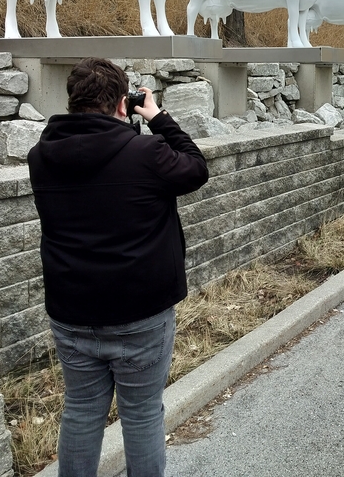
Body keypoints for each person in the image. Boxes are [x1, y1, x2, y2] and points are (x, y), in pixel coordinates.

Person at [27, 57, 209, 477]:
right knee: (142, 415)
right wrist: (160, 118)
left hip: (71, 312)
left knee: (81, 412)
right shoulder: (146, 152)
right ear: (122, 104)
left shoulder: (41, 155)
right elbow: (196, 169)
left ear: (72, 101)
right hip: (140, 313)